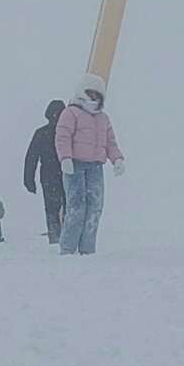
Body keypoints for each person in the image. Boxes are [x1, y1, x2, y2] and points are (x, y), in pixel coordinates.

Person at [55, 74, 125, 255]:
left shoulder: (103, 118)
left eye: (97, 95)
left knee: (95, 208)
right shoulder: (70, 113)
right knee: (76, 207)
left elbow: (110, 142)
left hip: (95, 167)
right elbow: (62, 136)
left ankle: (87, 249)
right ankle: (67, 249)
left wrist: (117, 159)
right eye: (90, 93)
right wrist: (65, 158)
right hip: (75, 166)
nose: (93, 98)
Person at [25, 100, 67, 243]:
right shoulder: (42, 133)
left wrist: (29, 179)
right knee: (54, 208)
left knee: (64, 207)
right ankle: (56, 237)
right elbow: (32, 157)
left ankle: (63, 237)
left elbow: (31, 157)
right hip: (53, 176)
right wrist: (28, 179)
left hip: (65, 174)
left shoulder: (69, 133)